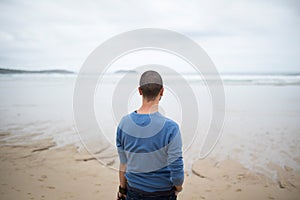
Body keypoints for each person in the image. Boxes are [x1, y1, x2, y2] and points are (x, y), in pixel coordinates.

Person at [116, 70, 184, 200]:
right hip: (163, 193)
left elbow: (123, 163)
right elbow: (176, 165)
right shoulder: (171, 128)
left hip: (133, 191)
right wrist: (178, 187)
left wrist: (122, 190)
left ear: (140, 91)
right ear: (162, 91)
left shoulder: (124, 124)